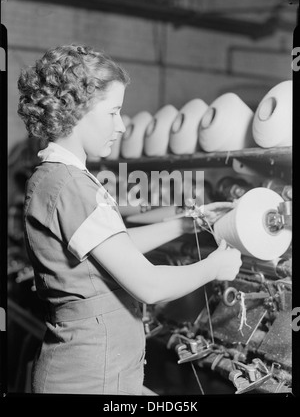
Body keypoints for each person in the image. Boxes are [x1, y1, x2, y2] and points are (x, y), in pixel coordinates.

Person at [17, 44, 242, 395]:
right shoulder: (68, 185)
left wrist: (186, 223)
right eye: (113, 112)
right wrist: (215, 267)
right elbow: (149, 286)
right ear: (76, 112)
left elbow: (111, 248)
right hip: (89, 379)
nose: (121, 126)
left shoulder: (59, 177)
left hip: (99, 372)